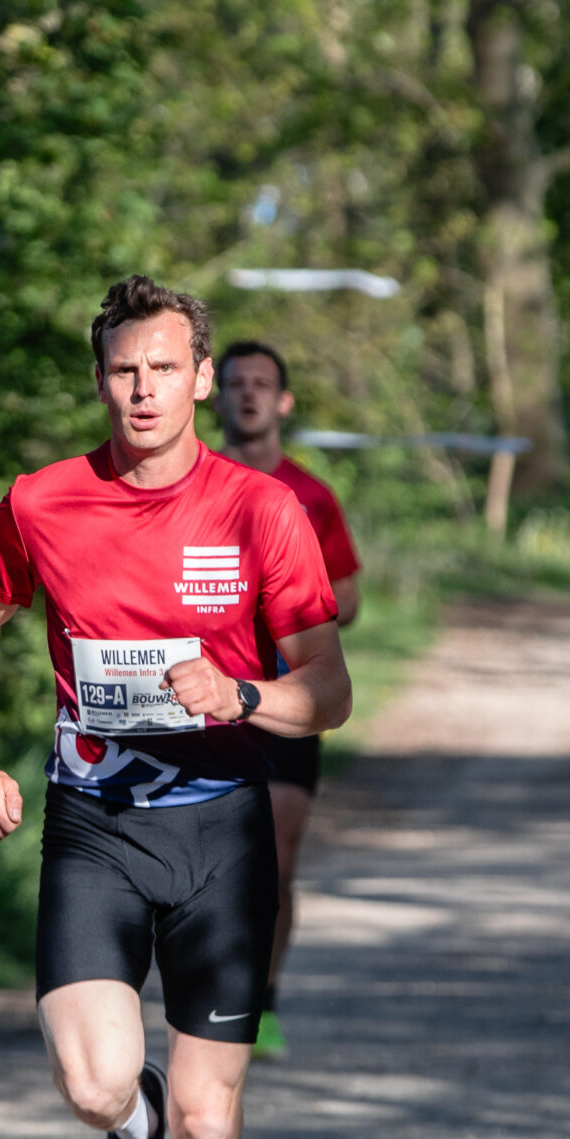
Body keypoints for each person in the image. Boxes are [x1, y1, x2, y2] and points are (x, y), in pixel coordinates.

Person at [0, 276, 351, 1139]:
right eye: (123, 370)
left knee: (213, 1132)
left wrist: (244, 694)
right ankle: (131, 1126)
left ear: (202, 380)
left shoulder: (261, 510)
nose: (142, 390)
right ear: (100, 379)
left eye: (164, 368)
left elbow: (329, 690)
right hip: (94, 828)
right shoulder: (41, 503)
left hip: (221, 833)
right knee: (92, 1084)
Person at [212, 340, 361, 1063]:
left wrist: (284, 608)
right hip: (205, 705)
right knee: (211, 862)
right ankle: (209, 991)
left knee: (274, 857)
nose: (248, 394)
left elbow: (349, 599)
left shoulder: (311, 496)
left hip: (287, 701)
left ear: (284, 401)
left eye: (261, 384)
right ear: (215, 394)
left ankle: (262, 1000)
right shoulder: (192, 486)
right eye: (236, 382)